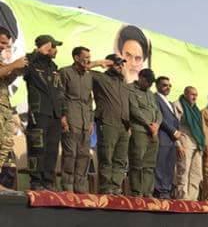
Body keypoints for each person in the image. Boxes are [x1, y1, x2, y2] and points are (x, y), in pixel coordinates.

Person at [23, 35, 65, 190]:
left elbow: (60, 92)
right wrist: (38, 51)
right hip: (39, 112)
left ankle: (48, 182)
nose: (56, 50)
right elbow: (26, 70)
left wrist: (63, 114)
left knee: (52, 150)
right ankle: (36, 182)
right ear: (46, 46)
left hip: (54, 114)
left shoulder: (53, 67)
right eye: (53, 46)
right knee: (37, 148)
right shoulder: (31, 61)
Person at [91, 54, 131, 194]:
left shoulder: (124, 83)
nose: (120, 66)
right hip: (107, 122)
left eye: (122, 64)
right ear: (109, 64)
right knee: (106, 156)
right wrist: (99, 62)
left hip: (124, 126)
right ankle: (106, 188)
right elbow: (82, 68)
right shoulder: (101, 78)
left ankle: (116, 187)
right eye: (117, 63)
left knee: (120, 160)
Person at [58, 47, 97, 193]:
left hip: (85, 121)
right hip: (70, 118)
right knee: (70, 154)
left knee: (84, 155)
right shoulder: (65, 72)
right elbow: (60, 96)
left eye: (89, 57)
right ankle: (67, 186)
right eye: (85, 57)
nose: (88, 60)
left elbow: (89, 100)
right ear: (76, 58)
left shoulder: (88, 76)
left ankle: (80, 187)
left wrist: (91, 120)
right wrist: (63, 117)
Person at [0, 27, 27, 191]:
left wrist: (16, 72)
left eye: (6, 44)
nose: (3, 47)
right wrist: (14, 64)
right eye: (2, 42)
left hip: (4, 108)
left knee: (4, 144)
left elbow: (5, 79)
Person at [126, 68, 161, 197]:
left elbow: (158, 112)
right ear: (140, 77)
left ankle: (147, 192)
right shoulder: (130, 89)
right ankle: (136, 192)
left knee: (149, 165)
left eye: (151, 83)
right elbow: (134, 110)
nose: (149, 85)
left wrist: (156, 124)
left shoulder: (151, 94)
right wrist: (148, 125)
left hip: (153, 133)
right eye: (148, 82)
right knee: (137, 162)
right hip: (139, 130)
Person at [172, 86, 205, 200]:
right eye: (192, 94)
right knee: (183, 170)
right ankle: (182, 197)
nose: (194, 97)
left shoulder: (196, 110)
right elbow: (174, 125)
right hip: (184, 140)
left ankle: (193, 198)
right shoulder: (178, 105)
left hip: (197, 143)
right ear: (185, 94)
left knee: (196, 173)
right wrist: (178, 144)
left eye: (196, 95)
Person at [153, 76, 181, 199]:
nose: (167, 87)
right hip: (163, 136)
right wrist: (173, 131)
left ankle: (166, 190)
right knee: (160, 165)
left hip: (172, 140)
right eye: (164, 85)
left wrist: (177, 133)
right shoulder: (155, 98)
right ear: (157, 86)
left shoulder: (169, 103)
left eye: (169, 86)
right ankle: (159, 191)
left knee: (169, 166)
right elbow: (160, 117)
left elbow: (174, 120)